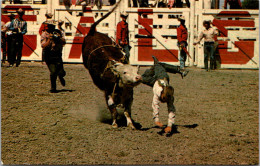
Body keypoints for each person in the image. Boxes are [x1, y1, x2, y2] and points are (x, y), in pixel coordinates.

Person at [142, 56, 189, 134]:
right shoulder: (158, 91)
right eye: (164, 98)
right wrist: (156, 120)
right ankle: (179, 70)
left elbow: (171, 110)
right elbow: (155, 104)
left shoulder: (170, 97)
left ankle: (157, 64)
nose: (164, 100)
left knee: (144, 76)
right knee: (157, 67)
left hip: (155, 82)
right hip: (161, 77)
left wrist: (169, 125)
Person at [41, 22, 66, 93]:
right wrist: (49, 39)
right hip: (49, 55)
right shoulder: (44, 34)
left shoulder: (58, 32)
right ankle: (53, 87)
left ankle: (60, 76)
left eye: (52, 26)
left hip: (57, 54)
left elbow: (64, 42)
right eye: (50, 26)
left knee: (62, 72)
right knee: (53, 72)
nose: (51, 28)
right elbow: (43, 45)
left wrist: (58, 38)